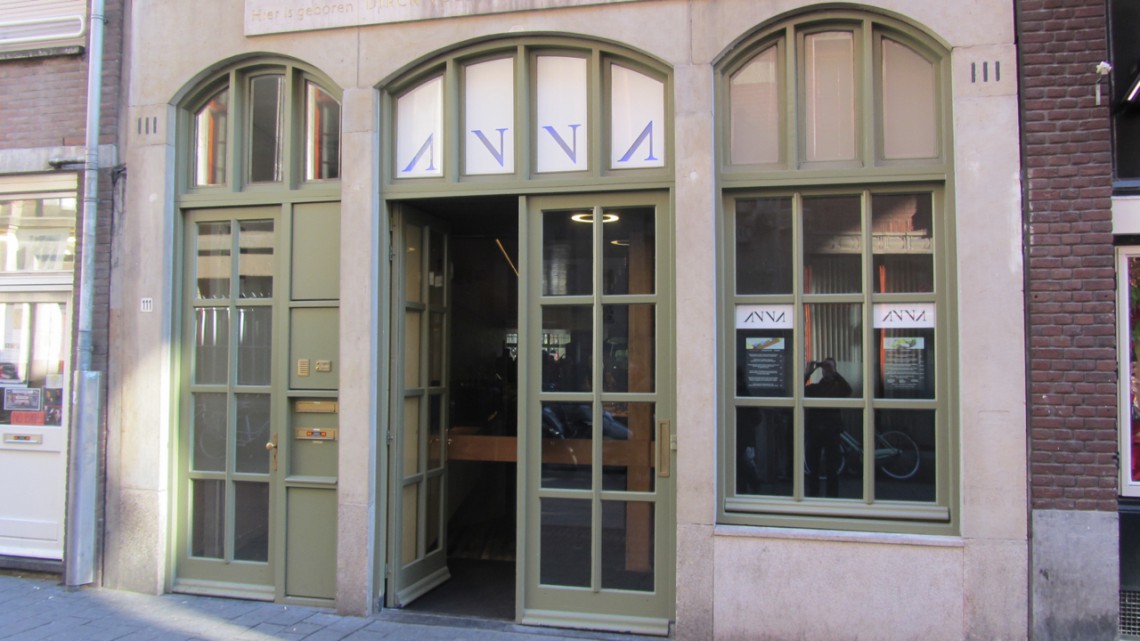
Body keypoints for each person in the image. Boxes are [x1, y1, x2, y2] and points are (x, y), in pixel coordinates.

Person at [804, 357, 851, 497]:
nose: (827, 371)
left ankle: (832, 498)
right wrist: (808, 372)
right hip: (815, 431)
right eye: (825, 368)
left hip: (831, 431)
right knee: (813, 468)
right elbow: (799, 390)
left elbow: (848, 390)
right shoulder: (814, 388)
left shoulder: (838, 389)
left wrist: (835, 373)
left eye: (830, 367)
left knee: (832, 469)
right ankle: (813, 497)